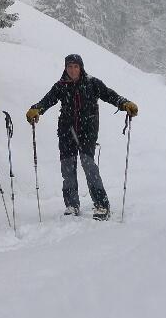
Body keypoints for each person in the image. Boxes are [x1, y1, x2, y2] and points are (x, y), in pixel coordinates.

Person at [25, 54, 138, 221]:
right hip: (66, 132)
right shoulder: (60, 86)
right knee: (67, 169)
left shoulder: (92, 83)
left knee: (89, 166)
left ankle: (102, 205)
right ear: (65, 68)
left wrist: (124, 103)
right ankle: (72, 205)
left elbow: (109, 95)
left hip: (87, 132)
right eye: (69, 67)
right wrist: (36, 109)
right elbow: (48, 100)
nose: (72, 70)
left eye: (75, 67)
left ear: (81, 67)